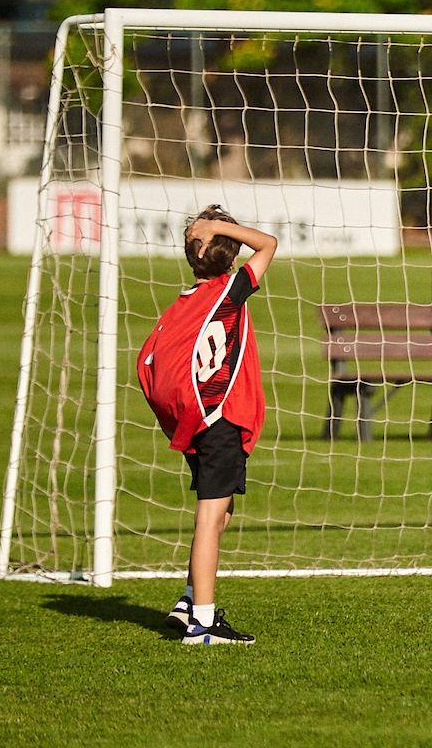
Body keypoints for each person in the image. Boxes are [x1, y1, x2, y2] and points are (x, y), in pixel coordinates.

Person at [137, 205, 277, 645]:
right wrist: (219, 227)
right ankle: (203, 622)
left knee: (221, 514)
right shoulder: (229, 291)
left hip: (200, 422)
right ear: (231, 258)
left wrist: (208, 233)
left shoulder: (186, 301)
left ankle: (189, 601)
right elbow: (269, 244)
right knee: (210, 516)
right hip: (220, 420)